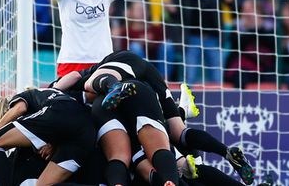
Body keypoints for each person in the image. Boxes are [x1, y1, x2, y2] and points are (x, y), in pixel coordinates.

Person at [55, 50, 255, 185]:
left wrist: (52, 89)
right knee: (180, 134)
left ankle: (113, 86)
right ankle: (225, 151)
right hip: (152, 87)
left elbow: (73, 76)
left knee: (123, 157)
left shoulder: (78, 87)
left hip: (120, 93)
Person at [0, 88, 96, 186]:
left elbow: (20, 109)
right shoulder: (51, 98)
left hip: (70, 122)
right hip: (85, 132)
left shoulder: (22, 100)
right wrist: (53, 141)